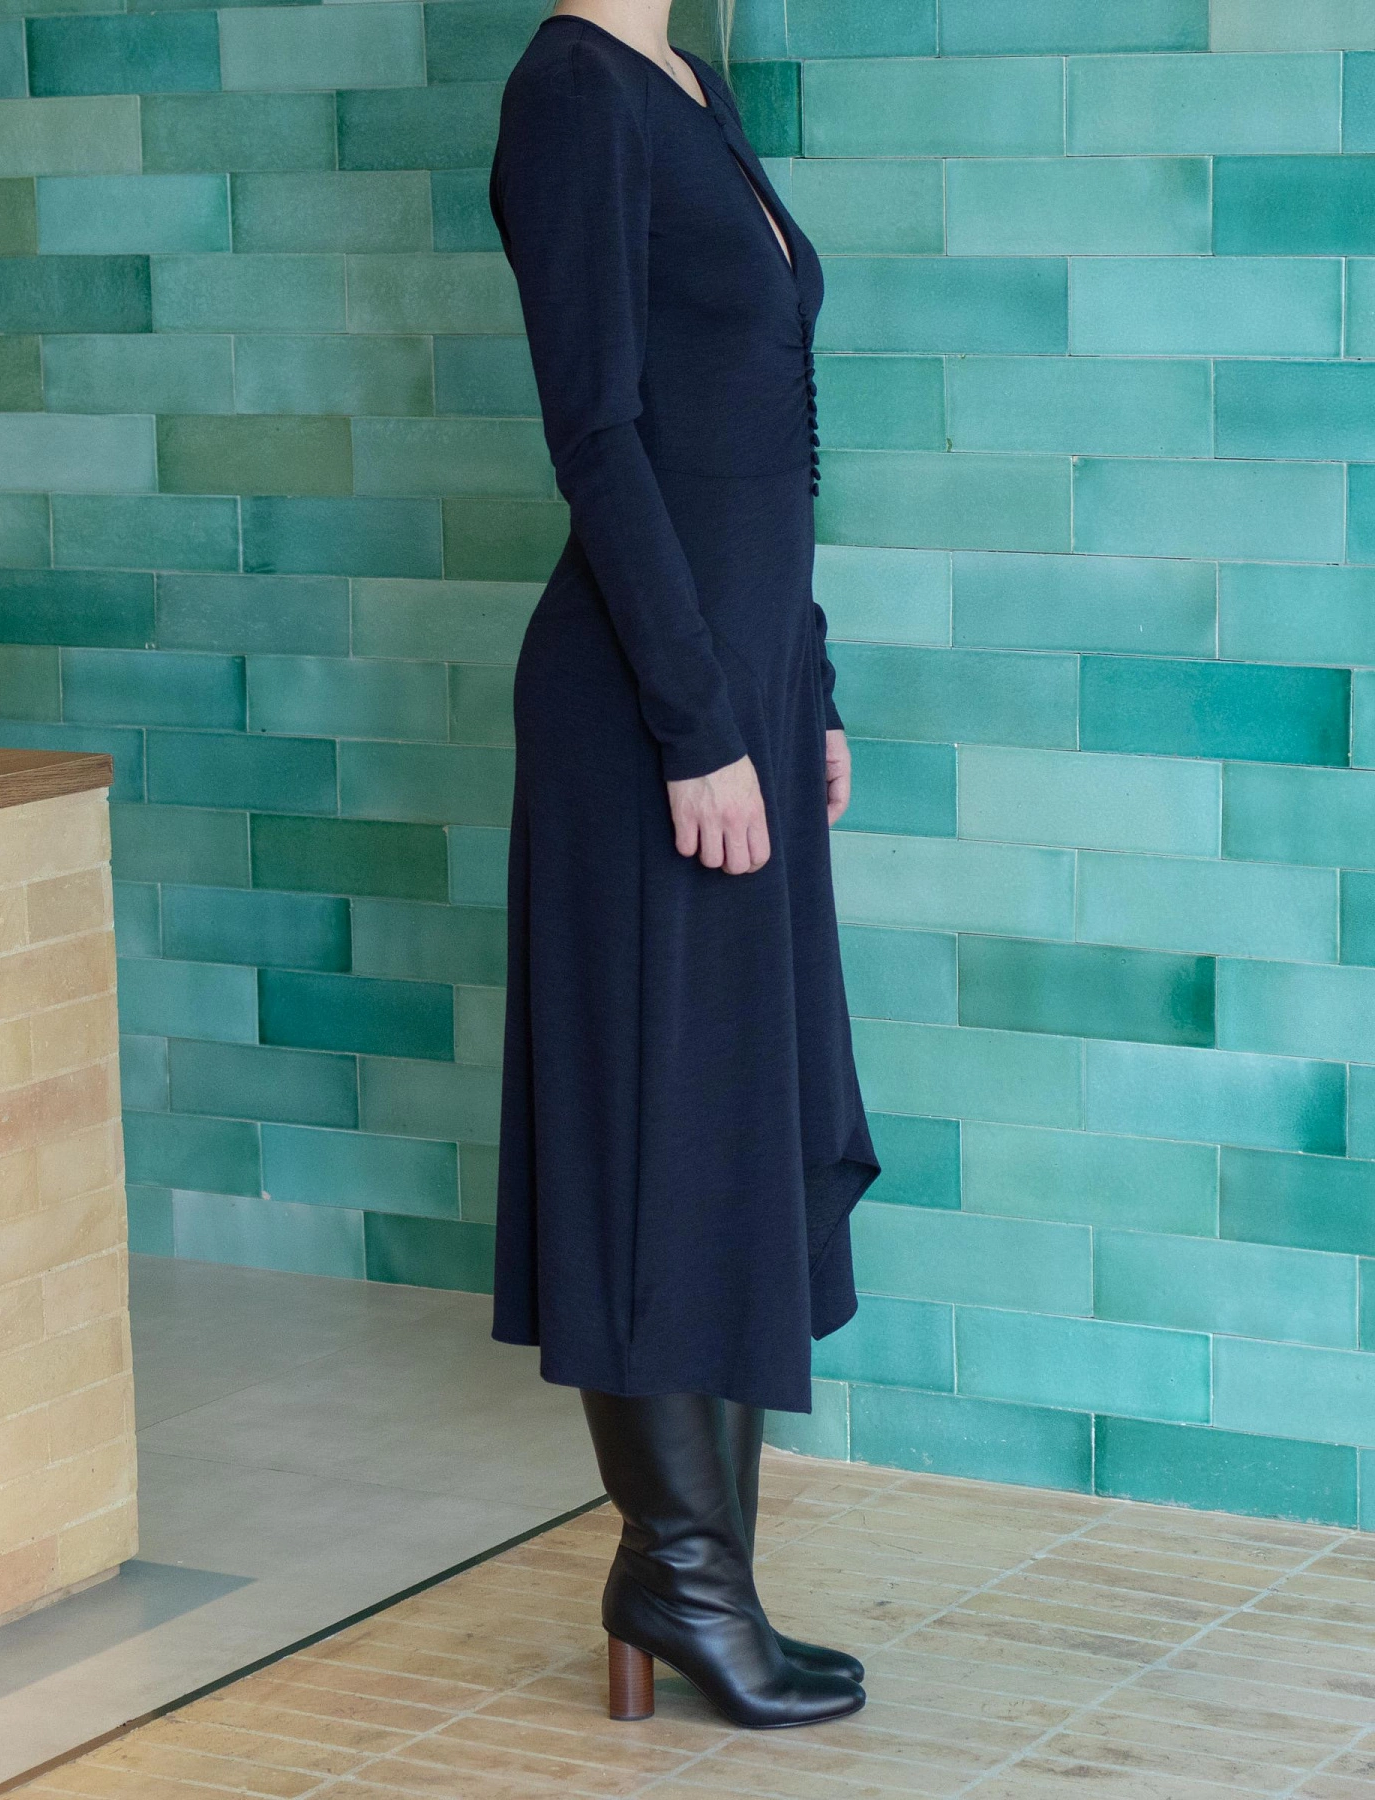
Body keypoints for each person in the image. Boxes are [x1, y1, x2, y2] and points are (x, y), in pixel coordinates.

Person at [487, 0, 882, 1728]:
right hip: (651, 712)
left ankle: (715, 1579)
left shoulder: (687, 85)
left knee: (735, 1127)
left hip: (742, 688)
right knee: (656, 1131)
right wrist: (698, 724)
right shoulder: (571, 92)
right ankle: (682, 1573)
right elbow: (600, 432)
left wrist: (807, 683)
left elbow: (764, 440)